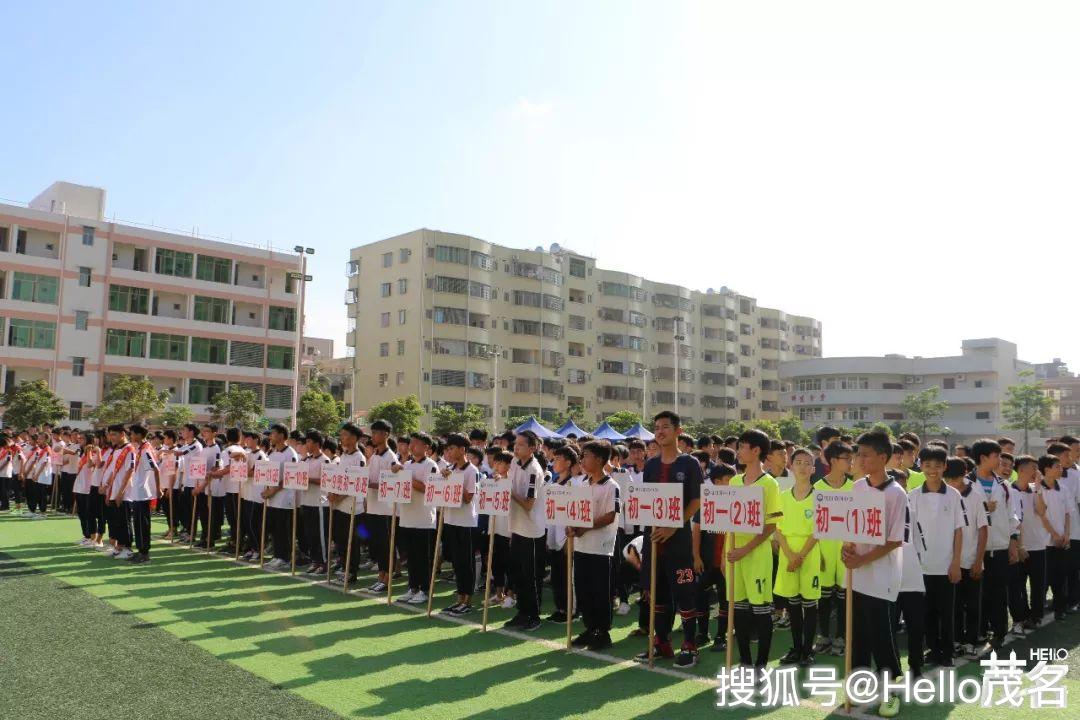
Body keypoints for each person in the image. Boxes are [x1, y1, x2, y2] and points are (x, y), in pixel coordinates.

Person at [843, 430, 907, 719]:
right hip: (857, 575)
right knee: (857, 635)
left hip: (881, 576)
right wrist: (848, 551)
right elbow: (849, 529)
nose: (860, 459)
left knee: (881, 635)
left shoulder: (897, 494)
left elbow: (894, 540)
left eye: (866, 454)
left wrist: (863, 559)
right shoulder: (856, 487)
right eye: (859, 454)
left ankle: (891, 689)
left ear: (883, 457)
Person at [634, 410, 704, 668]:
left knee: (685, 593)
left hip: (679, 542)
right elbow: (647, 500)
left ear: (678, 431)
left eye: (665, 426)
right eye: (657, 427)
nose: (660, 431)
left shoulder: (690, 464)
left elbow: (697, 500)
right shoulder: (651, 465)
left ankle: (690, 645)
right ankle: (661, 642)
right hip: (654, 541)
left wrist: (674, 526)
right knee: (658, 593)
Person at [728, 429, 782, 669]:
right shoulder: (733, 481)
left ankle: (761, 664)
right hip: (734, 552)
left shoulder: (769, 484)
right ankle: (744, 661)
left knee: (760, 609)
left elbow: (771, 525)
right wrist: (728, 553)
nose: (738, 451)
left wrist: (746, 549)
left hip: (756, 554)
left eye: (742, 446)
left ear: (756, 450)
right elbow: (726, 519)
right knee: (739, 608)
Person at [908, 445, 963, 668]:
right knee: (925, 613)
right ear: (920, 466)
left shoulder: (953, 494)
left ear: (944, 467)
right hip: (920, 567)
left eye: (938, 466)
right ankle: (932, 649)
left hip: (946, 565)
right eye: (928, 465)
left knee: (946, 612)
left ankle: (947, 652)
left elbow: (959, 531)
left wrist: (956, 562)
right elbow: (908, 532)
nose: (933, 470)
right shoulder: (912, 496)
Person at [568, 441, 620, 651]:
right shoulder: (580, 483)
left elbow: (610, 516)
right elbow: (573, 511)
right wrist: (571, 527)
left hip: (601, 547)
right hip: (581, 546)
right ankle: (590, 628)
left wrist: (584, 527)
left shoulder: (611, 486)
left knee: (600, 591)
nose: (582, 459)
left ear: (599, 459)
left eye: (586, 455)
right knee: (584, 590)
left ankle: (602, 631)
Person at [969, 438, 1018, 651]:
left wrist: (1013, 543)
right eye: (996, 456)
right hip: (974, 549)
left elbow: (1011, 516)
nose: (1000, 460)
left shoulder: (1004, 485)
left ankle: (999, 632)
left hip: (999, 547)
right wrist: (983, 507)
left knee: (999, 592)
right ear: (983, 458)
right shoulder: (965, 484)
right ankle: (978, 632)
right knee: (976, 593)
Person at [774, 448, 820, 667]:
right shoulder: (782, 496)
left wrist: (800, 555)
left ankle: (808, 649)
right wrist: (790, 554)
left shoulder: (819, 497)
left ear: (813, 468)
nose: (802, 466)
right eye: (798, 462)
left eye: (807, 463)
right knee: (793, 603)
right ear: (791, 466)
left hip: (809, 554)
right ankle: (796, 647)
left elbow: (818, 531)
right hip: (787, 554)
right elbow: (777, 529)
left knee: (810, 603)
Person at [813, 440, 854, 656]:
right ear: (832, 461)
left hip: (848, 551)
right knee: (824, 597)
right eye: (846, 458)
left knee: (844, 597)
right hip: (824, 552)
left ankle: (841, 636)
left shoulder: (855, 486)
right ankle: (824, 635)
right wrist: (816, 553)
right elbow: (813, 525)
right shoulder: (817, 488)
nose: (850, 462)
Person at [945, 456, 988, 659]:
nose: (952, 483)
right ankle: (954, 641)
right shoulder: (944, 494)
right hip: (948, 562)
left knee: (972, 605)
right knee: (952, 606)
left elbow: (983, 530)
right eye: (949, 479)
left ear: (964, 474)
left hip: (970, 560)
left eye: (955, 478)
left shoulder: (976, 496)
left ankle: (971, 641)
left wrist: (978, 560)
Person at [693, 462, 736, 652]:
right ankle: (702, 633)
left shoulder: (738, 503)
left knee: (726, 599)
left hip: (728, 562)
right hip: (707, 560)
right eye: (728, 480)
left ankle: (721, 635)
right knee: (700, 595)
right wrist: (696, 556)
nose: (732, 484)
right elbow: (696, 531)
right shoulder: (706, 502)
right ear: (717, 482)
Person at [506, 432, 546, 632]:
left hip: (531, 531)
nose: (516, 447)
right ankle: (522, 612)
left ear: (532, 448)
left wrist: (509, 492)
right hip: (517, 527)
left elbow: (529, 503)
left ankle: (534, 615)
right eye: (516, 444)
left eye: (521, 444)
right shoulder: (514, 462)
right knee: (518, 574)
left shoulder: (534, 470)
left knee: (531, 576)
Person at [396, 432, 439, 605]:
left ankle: (425, 589)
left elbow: (429, 489)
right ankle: (412, 587)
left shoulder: (431, 465)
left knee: (423, 557)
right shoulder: (406, 464)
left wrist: (407, 477)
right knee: (411, 557)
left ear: (426, 447)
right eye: (411, 443)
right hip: (407, 517)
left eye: (416, 443)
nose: (412, 446)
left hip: (424, 519)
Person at [439, 433, 479, 615]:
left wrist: (452, 482)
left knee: (466, 562)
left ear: (462, 449)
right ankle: (459, 598)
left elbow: (469, 497)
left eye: (452, 448)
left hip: (465, 522)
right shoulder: (449, 468)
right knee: (456, 562)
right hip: (450, 520)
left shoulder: (472, 471)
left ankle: (467, 600)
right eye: (448, 449)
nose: (449, 452)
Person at [1010, 455, 1048, 634]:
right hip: (1019, 546)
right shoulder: (1009, 491)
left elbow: (1041, 511)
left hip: (1038, 544)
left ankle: (1036, 616)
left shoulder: (1036, 489)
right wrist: (1019, 546)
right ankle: (1021, 618)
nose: (1037, 472)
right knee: (1018, 586)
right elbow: (1015, 522)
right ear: (1022, 469)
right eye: (1034, 468)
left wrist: (1039, 489)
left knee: (1038, 584)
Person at [362, 419, 398, 593]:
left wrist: (370, 484)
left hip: (385, 508)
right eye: (373, 432)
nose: (373, 436)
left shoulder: (391, 457)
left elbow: (390, 483)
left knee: (385, 544)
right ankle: (380, 576)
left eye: (376, 433)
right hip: (373, 505)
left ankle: (387, 577)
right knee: (376, 543)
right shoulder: (375, 455)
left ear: (386, 435)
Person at [120, 424, 160, 564]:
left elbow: (156, 469)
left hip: (143, 493)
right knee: (137, 523)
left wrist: (158, 489)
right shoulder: (140, 449)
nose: (130, 436)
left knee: (142, 524)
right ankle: (140, 551)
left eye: (131, 434)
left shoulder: (145, 450)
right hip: (137, 492)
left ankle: (144, 553)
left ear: (138, 434)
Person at [262, 424, 300, 571]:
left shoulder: (290, 453)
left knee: (284, 529)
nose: (270, 436)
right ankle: (277, 556)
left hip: (285, 498)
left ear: (282, 435)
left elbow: (291, 476)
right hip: (272, 498)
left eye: (273, 434)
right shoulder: (271, 453)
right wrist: (266, 490)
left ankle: (285, 558)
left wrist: (273, 490)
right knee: (274, 528)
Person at [1039, 454, 1071, 621]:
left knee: (1060, 576)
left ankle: (1060, 609)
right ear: (1046, 469)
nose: (1061, 469)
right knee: (1043, 579)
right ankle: (1038, 610)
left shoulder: (1063, 488)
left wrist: (1065, 534)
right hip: (1044, 541)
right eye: (1057, 466)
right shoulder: (1037, 489)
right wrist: (1053, 534)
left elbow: (1067, 514)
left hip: (1061, 541)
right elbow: (1041, 515)